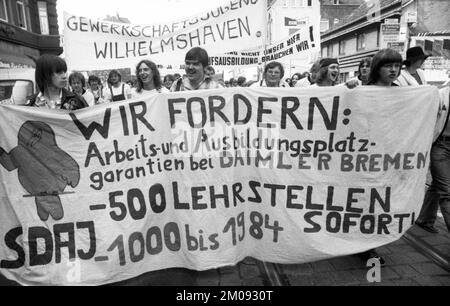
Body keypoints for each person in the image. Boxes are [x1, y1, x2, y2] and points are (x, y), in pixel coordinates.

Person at [416, 85, 450, 233]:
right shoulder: (440, 95)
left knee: (438, 184)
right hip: (440, 145)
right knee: (447, 192)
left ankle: (424, 219)